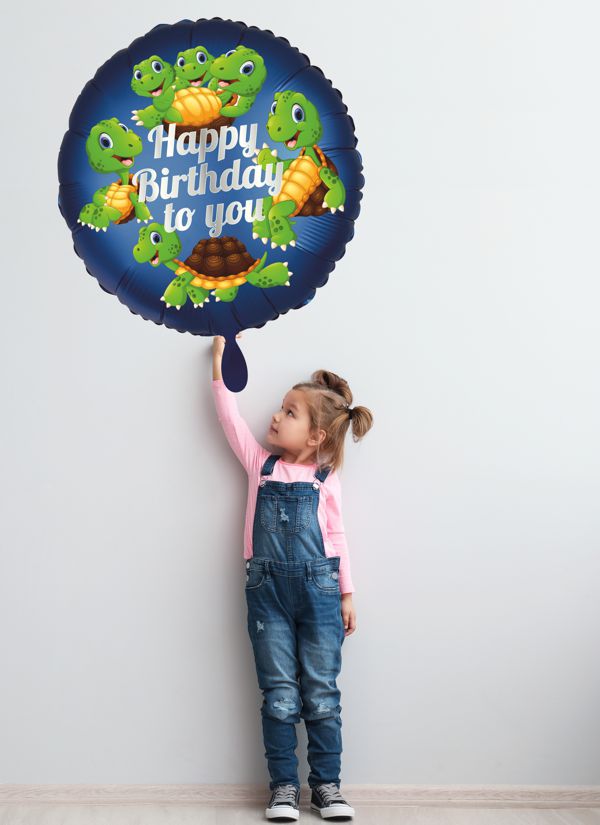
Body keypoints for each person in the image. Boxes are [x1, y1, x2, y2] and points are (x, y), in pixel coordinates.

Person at [211, 333, 373, 821]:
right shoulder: (260, 466)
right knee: (279, 695)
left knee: (322, 694)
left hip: (321, 594)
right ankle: (283, 788)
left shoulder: (327, 481)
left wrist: (347, 594)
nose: (276, 416)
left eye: (289, 412)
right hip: (268, 597)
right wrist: (219, 368)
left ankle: (327, 787)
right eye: (281, 408)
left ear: (317, 436)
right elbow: (229, 419)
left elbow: (337, 538)